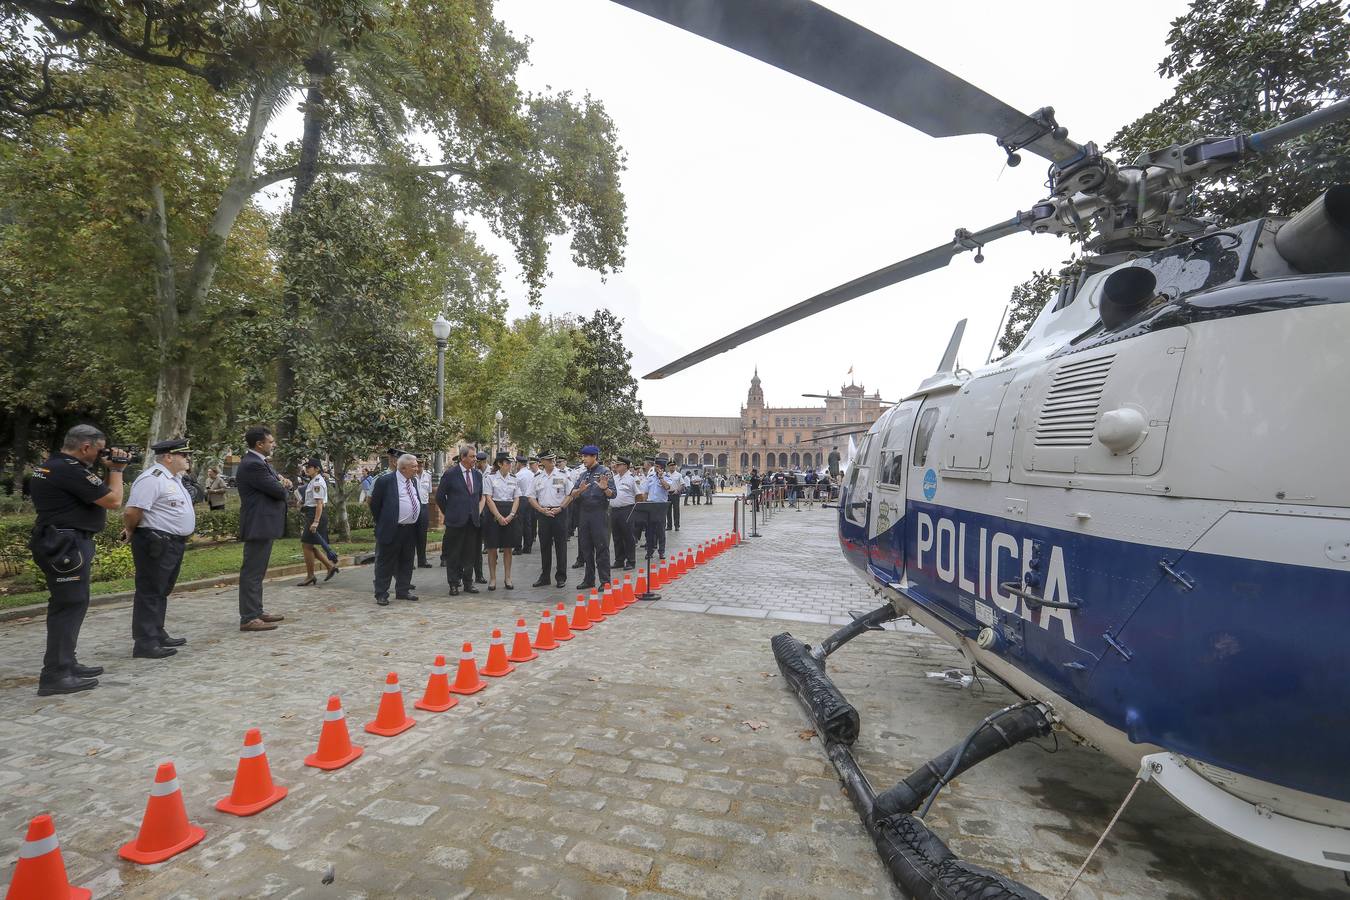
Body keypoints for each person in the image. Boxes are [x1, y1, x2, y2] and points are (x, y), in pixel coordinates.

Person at [27, 424, 128, 695]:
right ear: (85, 447)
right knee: (69, 605)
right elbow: (114, 500)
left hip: (59, 541)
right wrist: (117, 470)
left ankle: (66, 662)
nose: (100, 455)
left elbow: (93, 497)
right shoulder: (68, 470)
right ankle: (56, 674)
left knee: (71, 602)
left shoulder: (51, 465)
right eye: (98, 450)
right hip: (66, 544)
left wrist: (108, 470)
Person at [124, 438, 197, 660]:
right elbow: (132, 511)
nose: (187, 459)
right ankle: (145, 642)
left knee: (162, 589)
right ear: (168, 457)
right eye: (183, 455)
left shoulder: (173, 479)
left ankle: (156, 632)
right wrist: (130, 530)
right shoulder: (152, 479)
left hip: (172, 542)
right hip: (156, 541)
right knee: (150, 590)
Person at [235, 426, 289, 633]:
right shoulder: (252, 465)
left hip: (263, 524)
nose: (273, 444)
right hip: (258, 524)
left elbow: (279, 484)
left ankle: (256, 611)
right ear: (259, 444)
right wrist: (282, 484)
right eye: (271, 441)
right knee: (252, 572)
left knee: (258, 572)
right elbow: (278, 490)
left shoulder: (260, 463)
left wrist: (281, 483)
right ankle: (249, 617)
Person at [369, 453, 421, 606]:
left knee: (407, 560)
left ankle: (403, 590)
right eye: (414, 466)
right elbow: (375, 505)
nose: (417, 469)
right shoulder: (386, 481)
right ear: (403, 468)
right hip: (392, 528)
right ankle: (381, 593)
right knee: (385, 562)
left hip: (410, 529)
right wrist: (384, 521)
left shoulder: (413, 481)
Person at [436, 446, 483, 596]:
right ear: (463, 457)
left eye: (475, 457)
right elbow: (439, 497)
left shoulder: (477, 475)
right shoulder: (450, 474)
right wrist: (448, 512)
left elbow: (479, 496)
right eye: (472, 456)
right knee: (454, 553)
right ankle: (454, 583)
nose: (475, 459)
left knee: (470, 553)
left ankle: (468, 583)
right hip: (455, 521)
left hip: (472, 521)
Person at [570, 445, 614, 590]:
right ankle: (589, 579)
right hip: (584, 514)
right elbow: (573, 494)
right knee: (586, 548)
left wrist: (605, 488)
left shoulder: (605, 472)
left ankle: (605, 580)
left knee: (601, 547)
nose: (583, 459)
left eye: (586, 456)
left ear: (594, 457)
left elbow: (613, 494)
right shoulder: (583, 475)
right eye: (582, 456)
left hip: (599, 513)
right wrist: (579, 491)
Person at [529, 452, 572, 589]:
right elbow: (531, 497)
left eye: (553, 459)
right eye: (549, 459)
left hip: (559, 513)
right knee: (545, 546)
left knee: (561, 546)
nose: (553, 461)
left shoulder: (563, 475)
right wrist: (541, 510)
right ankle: (545, 576)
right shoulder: (537, 477)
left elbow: (570, 494)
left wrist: (560, 507)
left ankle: (561, 576)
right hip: (543, 514)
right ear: (542, 461)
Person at [483, 451, 521, 590]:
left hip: (509, 512)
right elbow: (488, 498)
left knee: (508, 548)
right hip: (494, 513)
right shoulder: (490, 478)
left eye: (511, 463)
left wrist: (511, 514)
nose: (510, 465)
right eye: (507, 463)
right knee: (492, 547)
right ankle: (492, 578)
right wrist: (498, 516)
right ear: (499, 464)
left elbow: (517, 498)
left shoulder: (514, 478)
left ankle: (508, 578)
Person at [298, 457, 339, 585]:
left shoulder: (317, 482)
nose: (306, 469)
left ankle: (311, 575)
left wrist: (315, 521)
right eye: (306, 467)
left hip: (316, 515)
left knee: (306, 545)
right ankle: (329, 566)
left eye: (309, 467)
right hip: (312, 513)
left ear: (317, 469)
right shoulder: (313, 481)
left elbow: (320, 504)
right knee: (308, 545)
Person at [637, 457, 672, 562]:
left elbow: (667, 488)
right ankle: (650, 551)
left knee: (660, 530)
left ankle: (661, 551)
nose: (655, 468)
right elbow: (646, 492)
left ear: (661, 468)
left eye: (657, 466)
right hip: (650, 505)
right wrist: (644, 503)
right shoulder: (651, 477)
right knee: (650, 530)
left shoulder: (667, 477)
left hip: (661, 506)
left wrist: (661, 478)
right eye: (655, 466)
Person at [609, 456, 638, 571]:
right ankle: (619, 560)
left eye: (618, 465)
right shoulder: (614, 478)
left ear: (625, 466)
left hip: (627, 509)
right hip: (614, 510)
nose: (616, 466)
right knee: (617, 536)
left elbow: (639, 495)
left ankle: (631, 560)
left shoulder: (632, 479)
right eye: (616, 464)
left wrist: (636, 510)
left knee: (628, 536)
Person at [473, 450, 489, 585]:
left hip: (484, 511)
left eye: (477, 461)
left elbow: (484, 495)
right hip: (471, 514)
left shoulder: (490, 473)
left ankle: (479, 574)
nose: (475, 463)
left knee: (478, 546)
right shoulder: (474, 474)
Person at [513, 455, 535, 555]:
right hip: (530, 499)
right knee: (528, 524)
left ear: (519, 463)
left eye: (516, 463)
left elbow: (515, 490)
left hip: (521, 499)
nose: (515, 465)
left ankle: (518, 547)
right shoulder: (531, 474)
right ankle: (528, 547)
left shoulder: (518, 475)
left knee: (518, 524)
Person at [415, 455, 433, 568]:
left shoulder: (428, 476)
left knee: (422, 535)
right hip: (413, 506)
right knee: (411, 535)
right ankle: (409, 561)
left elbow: (429, 491)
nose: (420, 466)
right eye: (418, 464)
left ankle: (422, 560)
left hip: (424, 506)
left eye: (422, 464)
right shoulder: (411, 476)